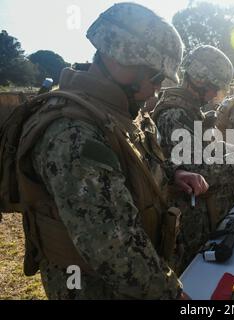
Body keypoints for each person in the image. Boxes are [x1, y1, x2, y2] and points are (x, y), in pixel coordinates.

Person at [16, 2, 208, 299]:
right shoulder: (74, 133)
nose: (157, 90)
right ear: (123, 61)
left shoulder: (125, 113)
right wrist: (172, 294)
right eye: (156, 77)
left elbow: (142, 162)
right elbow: (112, 248)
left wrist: (175, 173)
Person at [150, 45, 234, 272]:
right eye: (213, 88)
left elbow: (207, 148)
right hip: (188, 222)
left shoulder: (191, 111)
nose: (215, 94)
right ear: (198, 79)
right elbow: (199, 171)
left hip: (203, 215)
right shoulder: (175, 114)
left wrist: (232, 148)